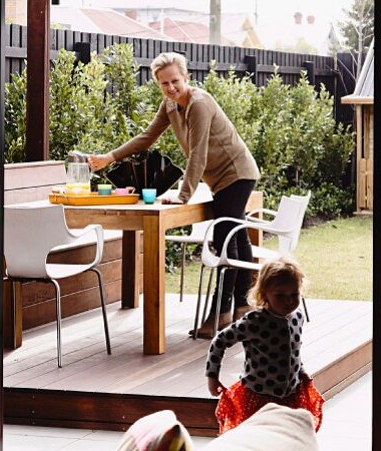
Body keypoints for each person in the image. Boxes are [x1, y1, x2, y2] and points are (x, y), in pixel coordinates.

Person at [88, 50, 260, 338]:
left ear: (186, 78)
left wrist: (183, 196)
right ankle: (242, 306)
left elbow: (197, 155)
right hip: (221, 180)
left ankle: (221, 312)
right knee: (237, 237)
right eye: (164, 83)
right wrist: (110, 157)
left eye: (175, 81)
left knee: (225, 238)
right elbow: (147, 137)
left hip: (237, 173)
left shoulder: (200, 104)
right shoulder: (169, 105)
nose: (171, 88)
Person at [205, 256, 324, 434]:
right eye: (280, 295)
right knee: (258, 437)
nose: (289, 301)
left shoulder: (297, 317)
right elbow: (219, 342)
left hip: (290, 395)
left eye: (294, 294)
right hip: (259, 396)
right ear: (264, 294)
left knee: (288, 436)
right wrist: (212, 376)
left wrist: (301, 372)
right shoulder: (255, 321)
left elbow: (293, 353)